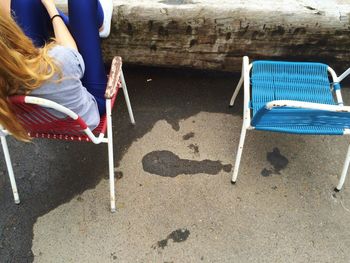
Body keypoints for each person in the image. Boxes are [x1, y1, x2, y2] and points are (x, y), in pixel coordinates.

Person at [0, 0, 113, 141]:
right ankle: (98, 25)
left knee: (25, 2)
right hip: (87, 113)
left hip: (38, 119)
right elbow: (72, 55)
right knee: (81, 3)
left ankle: (85, 25)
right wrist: (51, 7)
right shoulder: (56, 60)